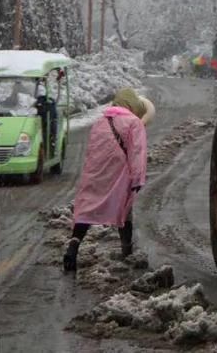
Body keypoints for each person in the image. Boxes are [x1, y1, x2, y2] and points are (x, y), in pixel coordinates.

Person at [64, 88, 152, 272]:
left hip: (96, 173)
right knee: (124, 210)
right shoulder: (134, 123)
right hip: (120, 174)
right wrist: (137, 179)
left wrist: (91, 174)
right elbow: (137, 153)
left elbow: (93, 150)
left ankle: (73, 246)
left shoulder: (100, 122)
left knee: (87, 209)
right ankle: (126, 251)